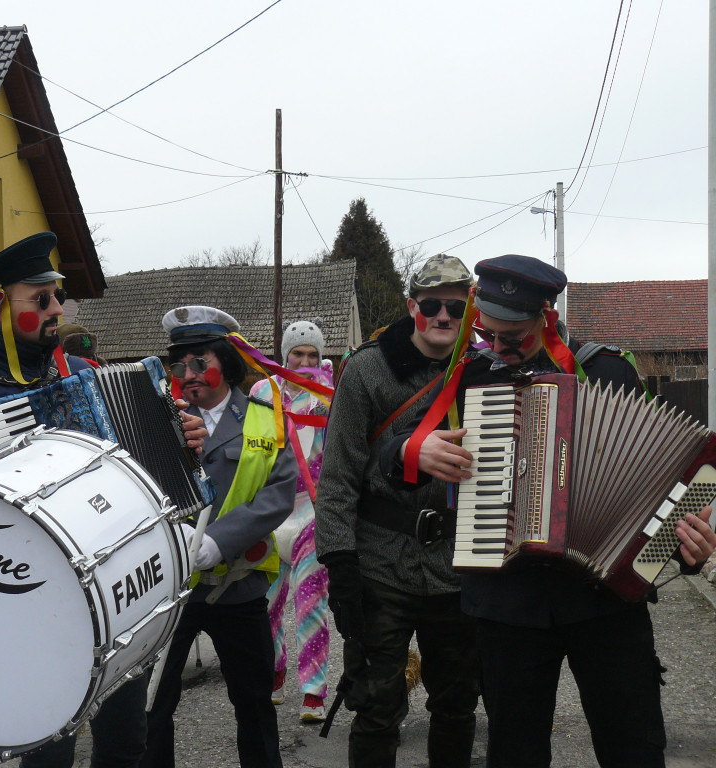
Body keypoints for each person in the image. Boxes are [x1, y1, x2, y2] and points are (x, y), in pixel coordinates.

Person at [382, 254, 716, 768]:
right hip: (505, 605)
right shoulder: (469, 379)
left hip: (605, 602)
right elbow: (387, 451)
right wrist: (414, 451)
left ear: (545, 318)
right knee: (515, 752)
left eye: (509, 336)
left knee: (634, 747)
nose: (495, 347)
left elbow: (666, 474)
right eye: (486, 333)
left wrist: (687, 543)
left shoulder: (605, 371)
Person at [0, 232, 205, 768]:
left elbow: (140, 473)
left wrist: (182, 440)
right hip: (39, 603)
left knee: (126, 740)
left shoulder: (85, 378)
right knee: (52, 753)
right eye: (40, 299)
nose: (55, 309)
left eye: (57, 297)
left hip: (115, 589)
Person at [315, 254, 480, 767]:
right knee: (377, 708)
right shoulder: (367, 369)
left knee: (457, 705)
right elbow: (338, 478)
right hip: (380, 564)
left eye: (456, 306)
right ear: (412, 307)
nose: (443, 316)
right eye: (431, 304)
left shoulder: (486, 374)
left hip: (459, 565)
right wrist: (340, 567)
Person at [142, 306, 298, 768]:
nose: (188, 375)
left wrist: (218, 541)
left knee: (253, 705)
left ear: (226, 364)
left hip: (239, 587)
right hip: (172, 590)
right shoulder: (157, 420)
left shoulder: (266, 419)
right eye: (179, 366)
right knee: (153, 705)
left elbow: (278, 494)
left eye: (199, 363)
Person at [249, 319, 334, 723]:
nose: (303, 361)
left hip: (309, 516)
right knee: (265, 607)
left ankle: (314, 692)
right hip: (269, 513)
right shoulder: (262, 392)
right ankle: (275, 671)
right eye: (297, 354)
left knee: (311, 604)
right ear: (284, 356)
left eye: (312, 355)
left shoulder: (328, 397)